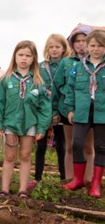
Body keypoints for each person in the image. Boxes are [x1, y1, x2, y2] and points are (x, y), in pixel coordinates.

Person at [0, 41, 51, 197]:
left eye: (28, 56)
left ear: (33, 59)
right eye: (21, 55)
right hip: (10, 122)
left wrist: (42, 127)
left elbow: (45, 107)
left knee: (25, 155)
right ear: (15, 56)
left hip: (30, 123)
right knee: (10, 156)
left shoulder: (38, 82)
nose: (24, 58)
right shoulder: (6, 80)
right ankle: (4, 189)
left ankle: (22, 189)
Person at [62, 30, 105, 197]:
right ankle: (78, 179)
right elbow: (70, 90)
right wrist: (70, 109)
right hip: (81, 111)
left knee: (101, 147)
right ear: (87, 46)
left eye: (100, 46)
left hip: (102, 112)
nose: (96, 49)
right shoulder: (78, 67)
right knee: (77, 144)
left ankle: (95, 184)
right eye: (92, 45)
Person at [53, 24, 95, 183]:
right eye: (77, 41)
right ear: (72, 43)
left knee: (88, 147)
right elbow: (56, 87)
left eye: (84, 40)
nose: (81, 44)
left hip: (90, 110)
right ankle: (70, 179)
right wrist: (56, 111)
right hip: (68, 110)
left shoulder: (97, 63)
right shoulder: (66, 63)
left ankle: (88, 181)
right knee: (70, 146)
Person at [29, 34, 70, 189]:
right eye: (51, 46)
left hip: (61, 111)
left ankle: (64, 178)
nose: (54, 50)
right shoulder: (40, 67)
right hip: (42, 111)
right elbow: (36, 88)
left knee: (61, 145)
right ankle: (37, 178)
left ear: (63, 49)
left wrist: (57, 111)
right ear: (47, 49)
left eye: (57, 47)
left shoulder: (67, 65)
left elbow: (66, 90)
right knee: (40, 145)